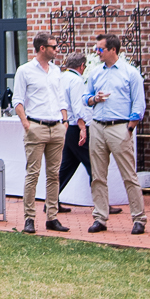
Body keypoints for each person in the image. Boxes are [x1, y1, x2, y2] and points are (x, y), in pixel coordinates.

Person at [84, 34, 148, 235]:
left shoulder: (131, 73)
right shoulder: (95, 73)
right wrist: (95, 98)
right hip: (98, 125)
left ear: (113, 50)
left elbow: (139, 103)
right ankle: (100, 217)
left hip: (119, 126)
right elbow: (86, 98)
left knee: (128, 175)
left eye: (100, 49)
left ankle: (139, 218)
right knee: (98, 176)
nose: (97, 52)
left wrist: (130, 128)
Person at [12, 33, 69, 234]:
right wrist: (25, 122)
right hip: (36, 125)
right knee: (33, 174)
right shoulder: (25, 71)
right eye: (53, 47)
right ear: (42, 48)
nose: (56, 50)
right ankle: (29, 218)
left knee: (54, 174)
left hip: (57, 126)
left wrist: (65, 119)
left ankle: (52, 217)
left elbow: (60, 97)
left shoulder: (56, 71)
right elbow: (17, 99)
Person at [56, 52, 94, 211]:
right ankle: (101, 203)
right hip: (75, 126)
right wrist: (83, 127)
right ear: (82, 66)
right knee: (94, 164)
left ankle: (51, 200)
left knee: (67, 165)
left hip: (65, 125)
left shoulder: (61, 78)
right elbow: (78, 105)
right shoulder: (77, 80)